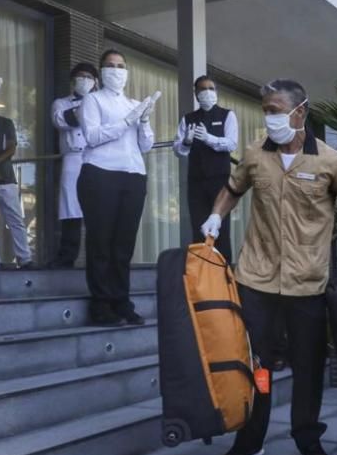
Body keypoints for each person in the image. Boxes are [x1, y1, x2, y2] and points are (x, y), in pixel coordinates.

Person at [200, 78, 337, 455]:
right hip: (256, 279)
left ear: (300, 111)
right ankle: (250, 440)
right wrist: (215, 214)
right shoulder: (255, 154)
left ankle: (307, 437)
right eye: (266, 110)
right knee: (257, 363)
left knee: (308, 365)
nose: (269, 117)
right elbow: (232, 188)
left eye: (275, 110)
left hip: (307, 282)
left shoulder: (330, 160)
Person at [77, 49, 160, 327]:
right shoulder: (92, 99)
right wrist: (126, 122)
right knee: (101, 241)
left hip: (133, 175)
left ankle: (121, 301)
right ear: (102, 71)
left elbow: (146, 145)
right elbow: (91, 136)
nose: (116, 70)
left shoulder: (133, 103)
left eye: (121, 65)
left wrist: (144, 119)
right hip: (101, 172)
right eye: (110, 65)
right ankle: (101, 304)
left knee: (123, 245)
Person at [173, 75, 238, 261]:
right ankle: (202, 276)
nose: (207, 93)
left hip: (220, 180)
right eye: (202, 89)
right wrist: (186, 142)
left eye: (211, 88)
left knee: (221, 229)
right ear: (195, 93)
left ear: (216, 92)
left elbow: (232, 144)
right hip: (196, 181)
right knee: (199, 228)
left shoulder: (227, 115)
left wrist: (210, 138)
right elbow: (178, 150)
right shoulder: (188, 119)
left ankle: (225, 277)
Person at [48, 63, 99, 268]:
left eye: (88, 76)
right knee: (71, 208)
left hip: (96, 157)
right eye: (80, 76)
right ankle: (67, 257)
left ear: (95, 82)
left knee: (97, 210)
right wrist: (85, 106)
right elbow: (61, 121)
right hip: (72, 157)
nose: (84, 79)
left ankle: (97, 259)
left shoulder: (100, 103)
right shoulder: (61, 103)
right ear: (73, 80)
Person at [0, 115, 34, 269]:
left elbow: (11, 148)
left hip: (5, 177)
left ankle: (24, 258)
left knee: (15, 220)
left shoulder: (5, 122)